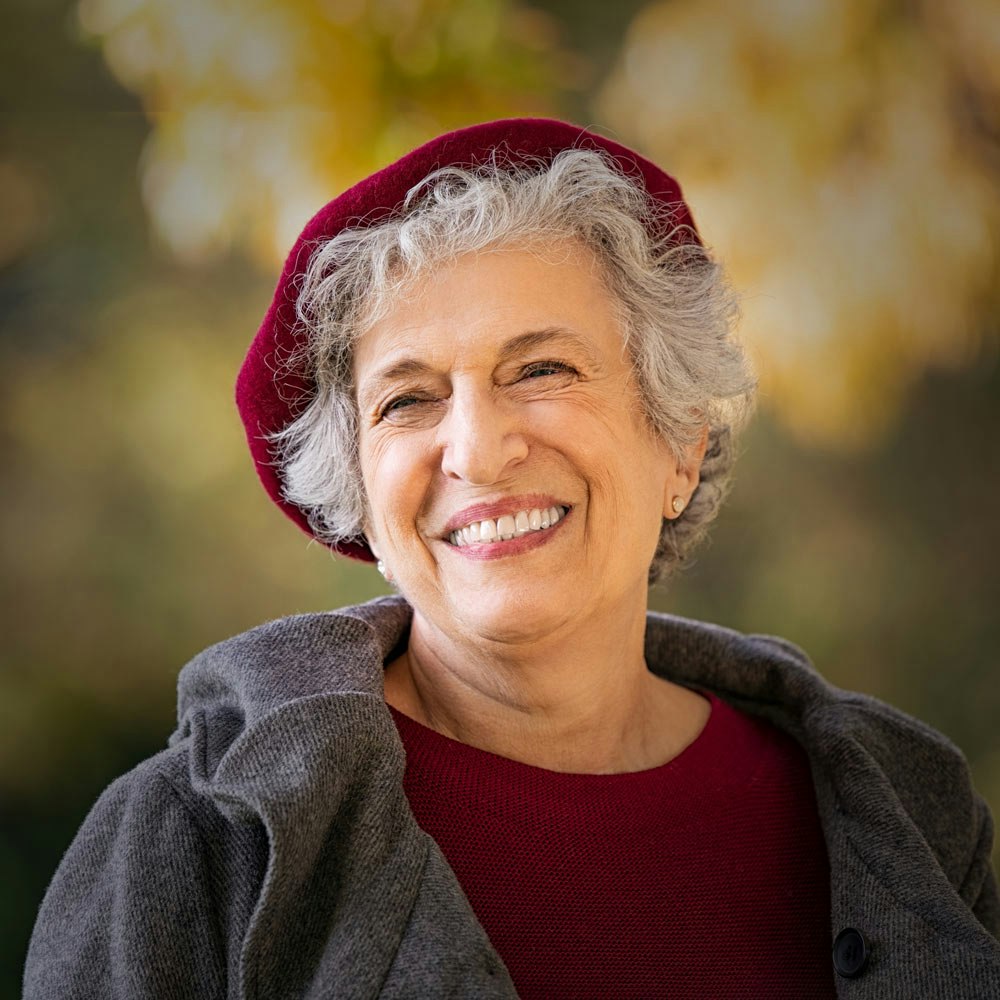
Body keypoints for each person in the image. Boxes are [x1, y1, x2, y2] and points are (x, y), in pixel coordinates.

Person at [24, 118, 1000, 999]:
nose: (479, 448)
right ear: (360, 491)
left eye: (541, 369)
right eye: (407, 398)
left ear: (680, 442)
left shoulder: (904, 806)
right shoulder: (196, 841)